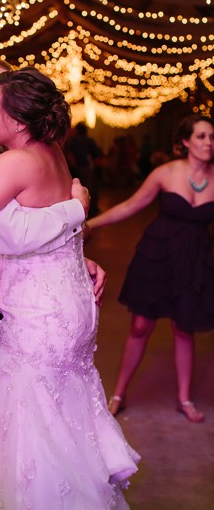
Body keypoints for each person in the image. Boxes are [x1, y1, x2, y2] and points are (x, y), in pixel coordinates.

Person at [0, 67, 139, 508]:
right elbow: (46, 226)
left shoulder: (15, 162)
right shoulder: (54, 154)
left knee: (33, 430)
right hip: (70, 301)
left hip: (40, 316)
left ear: (17, 121)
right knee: (65, 418)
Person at [86, 114, 214, 423]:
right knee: (141, 326)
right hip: (158, 255)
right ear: (185, 141)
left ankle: (184, 399)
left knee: (184, 327)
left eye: (212, 137)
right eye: (201, 136)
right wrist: (90, 223)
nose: (209, 143)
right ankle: (119, 394)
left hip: (193, 261)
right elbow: (131, 205)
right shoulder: (165, 173)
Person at [67, 122, 102, 215]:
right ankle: (91, 211)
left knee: (76, 190)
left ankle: (78, 212)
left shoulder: (72, 140)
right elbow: (96, 155)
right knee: (90, 189)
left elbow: (70, 155)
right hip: (87, 168)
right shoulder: (89, 140)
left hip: (75, 168)